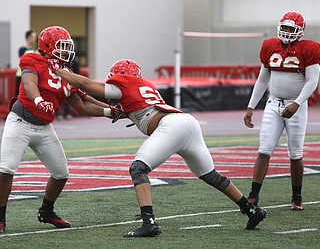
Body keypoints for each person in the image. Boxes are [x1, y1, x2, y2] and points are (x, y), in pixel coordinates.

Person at [48, 58, 268, 237]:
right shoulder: (144, 87)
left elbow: (88, 85)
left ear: (120, 76)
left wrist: (61, 72)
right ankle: (251, 210)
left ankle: (149, 223)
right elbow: (114, 108)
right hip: (187, 123)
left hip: (170, 127)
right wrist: (104, 108)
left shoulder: (123, 85)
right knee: (211, 175)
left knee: (138, 169)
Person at [0, 26, 113, 234]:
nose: (66, 51)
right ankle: (0, 217)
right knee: (6, 170)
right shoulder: (32, 59)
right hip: (20, 121)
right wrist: (38, 100)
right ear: (48, 46)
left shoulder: (66, 73)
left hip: (44, 127)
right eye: (62, 46)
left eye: (67, 46)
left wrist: (110, 111)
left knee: (61, 174)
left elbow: (81, 104)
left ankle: (47, 211)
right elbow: (28, 81)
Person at [243, 11, 320, 211]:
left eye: (290, 28)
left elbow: (313, 81)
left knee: (295, 153)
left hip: (296, 105)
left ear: (300, 31)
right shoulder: (270, 45)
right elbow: (262, 79)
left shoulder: (310, 48)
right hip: (273, 104)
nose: (286, 32)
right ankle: (253, 196)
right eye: (284, 27)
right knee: (264, 149)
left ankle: (297, 196)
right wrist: (251, 106)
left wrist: (297, 103)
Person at [15, 30, 38, 97]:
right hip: (20, 74)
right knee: (18, 94)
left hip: (28, 73)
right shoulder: (23, 49)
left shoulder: (32, 49)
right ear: (29, 37)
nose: (34, 39)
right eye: (33, 37)